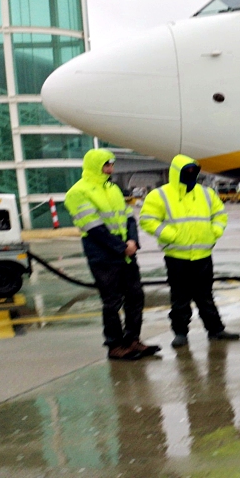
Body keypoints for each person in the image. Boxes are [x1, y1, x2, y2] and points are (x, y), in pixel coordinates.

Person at [64, 148, 157, 361]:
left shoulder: (112, 189)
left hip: (125, 253)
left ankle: (132, 340)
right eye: (107, 165)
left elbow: (129, 217)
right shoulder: (78, 192)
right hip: (104, 256)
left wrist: (132, 241)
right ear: (96, 166)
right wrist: (121, 247)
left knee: (135, 297)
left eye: (112, 164)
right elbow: (94, 228)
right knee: (112, 302)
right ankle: (115, 346)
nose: (111, 169)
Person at [139, 155, 239, 348]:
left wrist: (214, 232)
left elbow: (220, 214)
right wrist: (170, 235)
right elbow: (147, 220)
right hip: (177, 256)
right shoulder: (160, 195)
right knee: (180, 298)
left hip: (202, 255)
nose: (191, 175)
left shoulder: (206, 193)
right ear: (177, 173)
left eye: (194, 171)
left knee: (205, 296)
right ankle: (180, 333)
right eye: (187, 171)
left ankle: (215, 330)